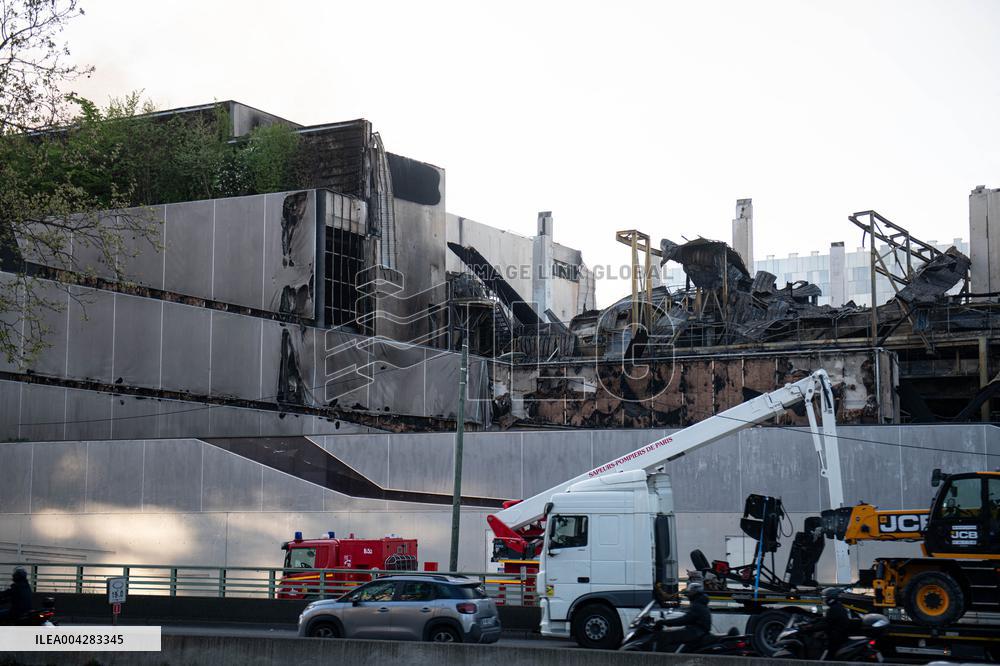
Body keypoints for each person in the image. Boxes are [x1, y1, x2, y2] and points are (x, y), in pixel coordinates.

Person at [653, 580, 713, 652]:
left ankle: (664, 658)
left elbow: (684, 620)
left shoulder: (697, 605)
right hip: (698, 631)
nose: (688, 596)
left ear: (694, 593)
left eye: (689, 594)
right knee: (671, 633)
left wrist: (665, 622)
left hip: (696, 632)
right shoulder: (700, 603)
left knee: (665, 636)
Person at [802, 586, 852, 659]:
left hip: (835, 638)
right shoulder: (837, 607)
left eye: (826, 598)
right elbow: (828, 619)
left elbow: (825, 624)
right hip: (837, 635)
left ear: (831, 598)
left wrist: (809, 628)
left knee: (825, 654)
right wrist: (815, 619)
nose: (825, 599)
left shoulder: (834, 609)